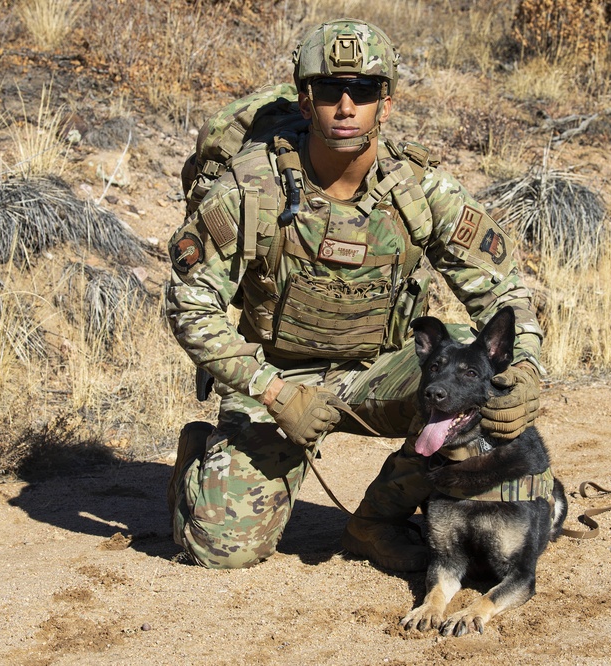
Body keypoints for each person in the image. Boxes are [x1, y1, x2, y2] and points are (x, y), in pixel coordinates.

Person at [165, 18, 544, 571]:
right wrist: (273, 394)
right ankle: (199, 456)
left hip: (380, 368)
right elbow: (190, 305)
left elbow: (503, 291)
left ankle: (373, 522)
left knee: (474, 382)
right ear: (304, 100)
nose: (346, 107)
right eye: (328, 91)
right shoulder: (251, 191)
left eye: (363, 91)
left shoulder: (419, 192)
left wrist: (526, 371)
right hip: (278, 376)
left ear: (384, 104)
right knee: (223, 550)